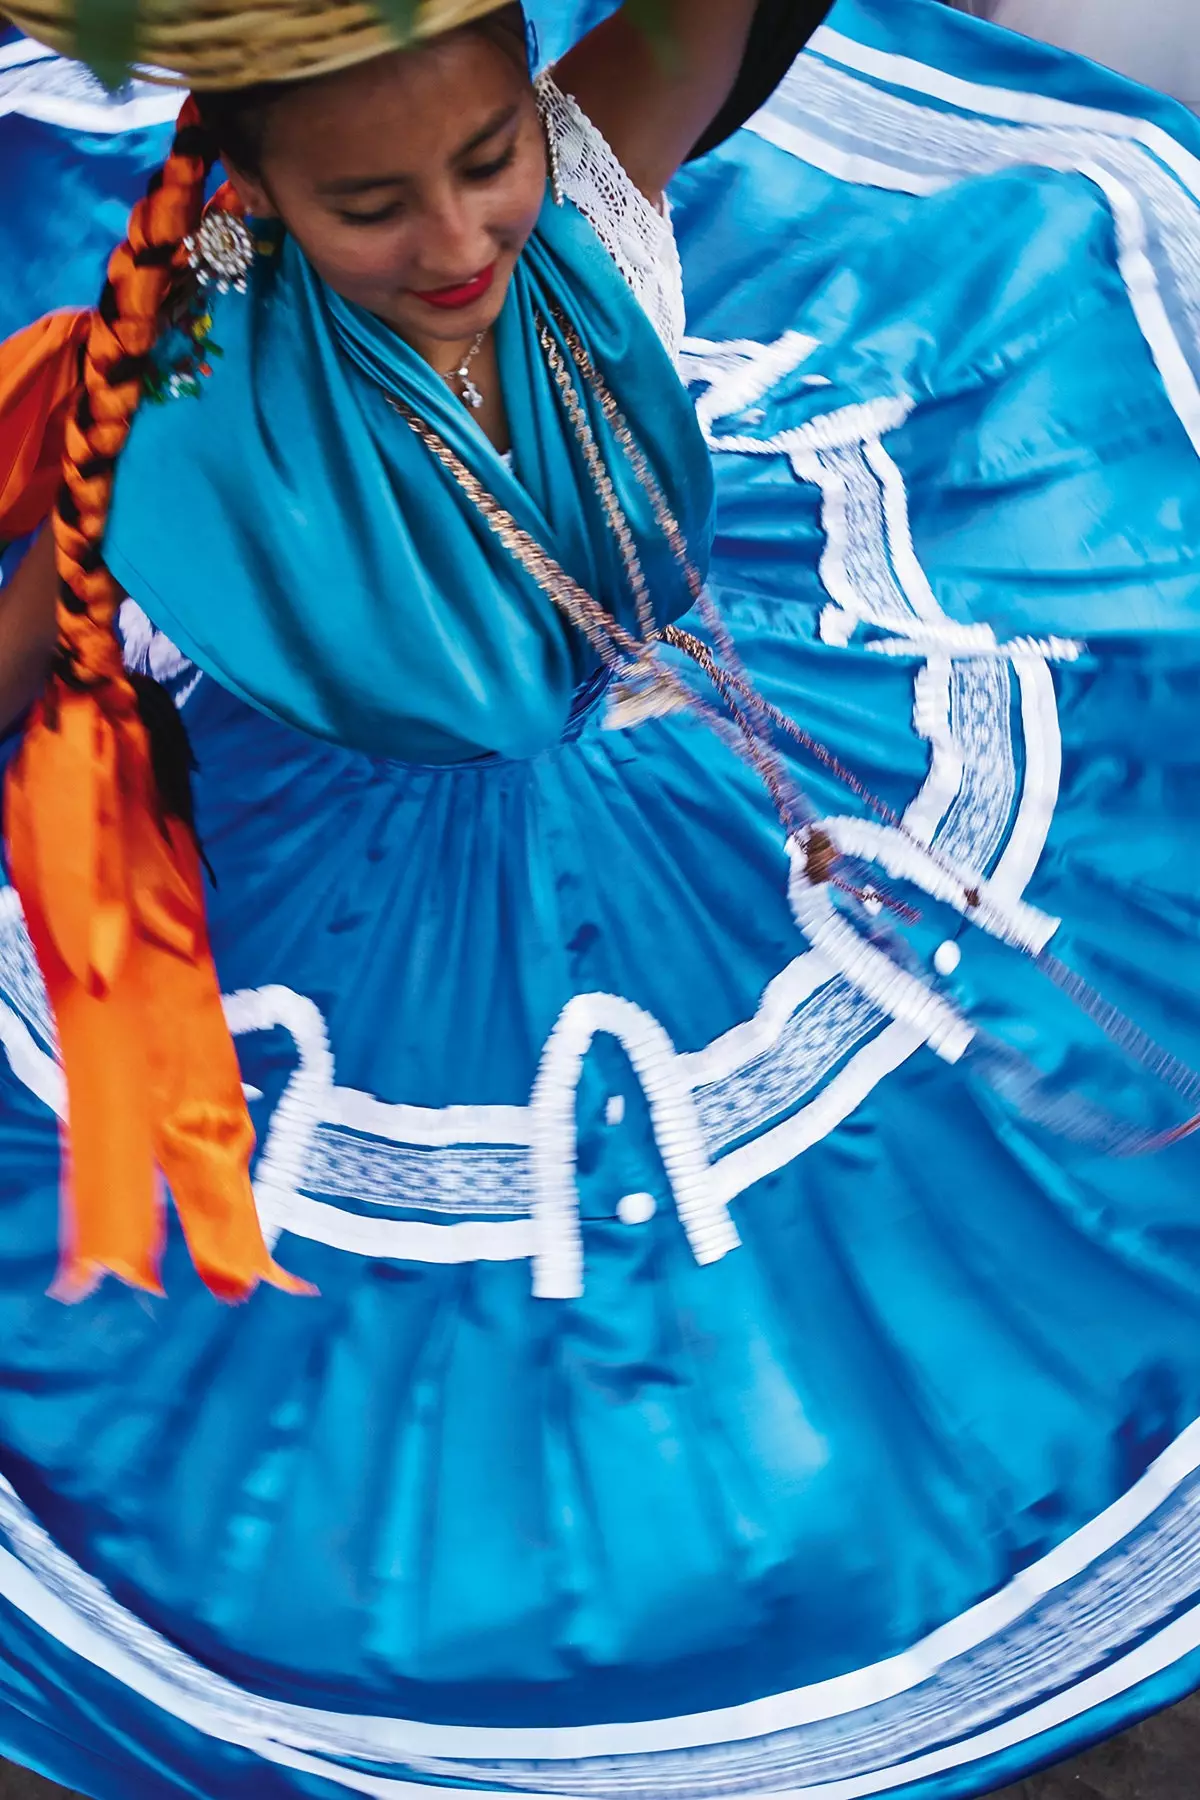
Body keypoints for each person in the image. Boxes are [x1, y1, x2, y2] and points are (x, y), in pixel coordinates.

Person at [0, 0, 1199, 1795]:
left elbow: (706, 28)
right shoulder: (182, 396)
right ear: (252, 199)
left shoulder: (583, 191)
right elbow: (34, 635)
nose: (463, 239)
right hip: (366, 875)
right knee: (483, 1366)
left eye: (491, 161)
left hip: (694, 719)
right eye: (375, 205)